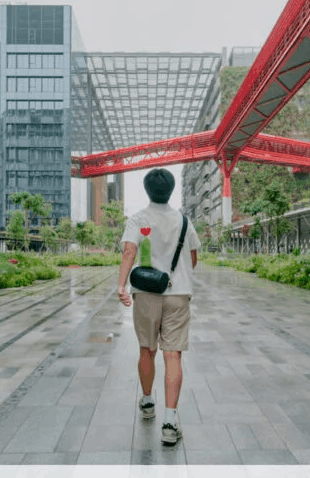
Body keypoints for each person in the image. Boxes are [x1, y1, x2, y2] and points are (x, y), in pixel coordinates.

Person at [117, 168, 200, 445]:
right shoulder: (185, 222)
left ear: (147, 190)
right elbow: (193, 259)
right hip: (178, 295)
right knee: (173, 355)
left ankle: (148, 402)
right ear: (172, 190)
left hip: (146, 294)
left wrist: (121, 286)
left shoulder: (139, 219)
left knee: (147, 350)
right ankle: (169, 422)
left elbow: (129, 251)